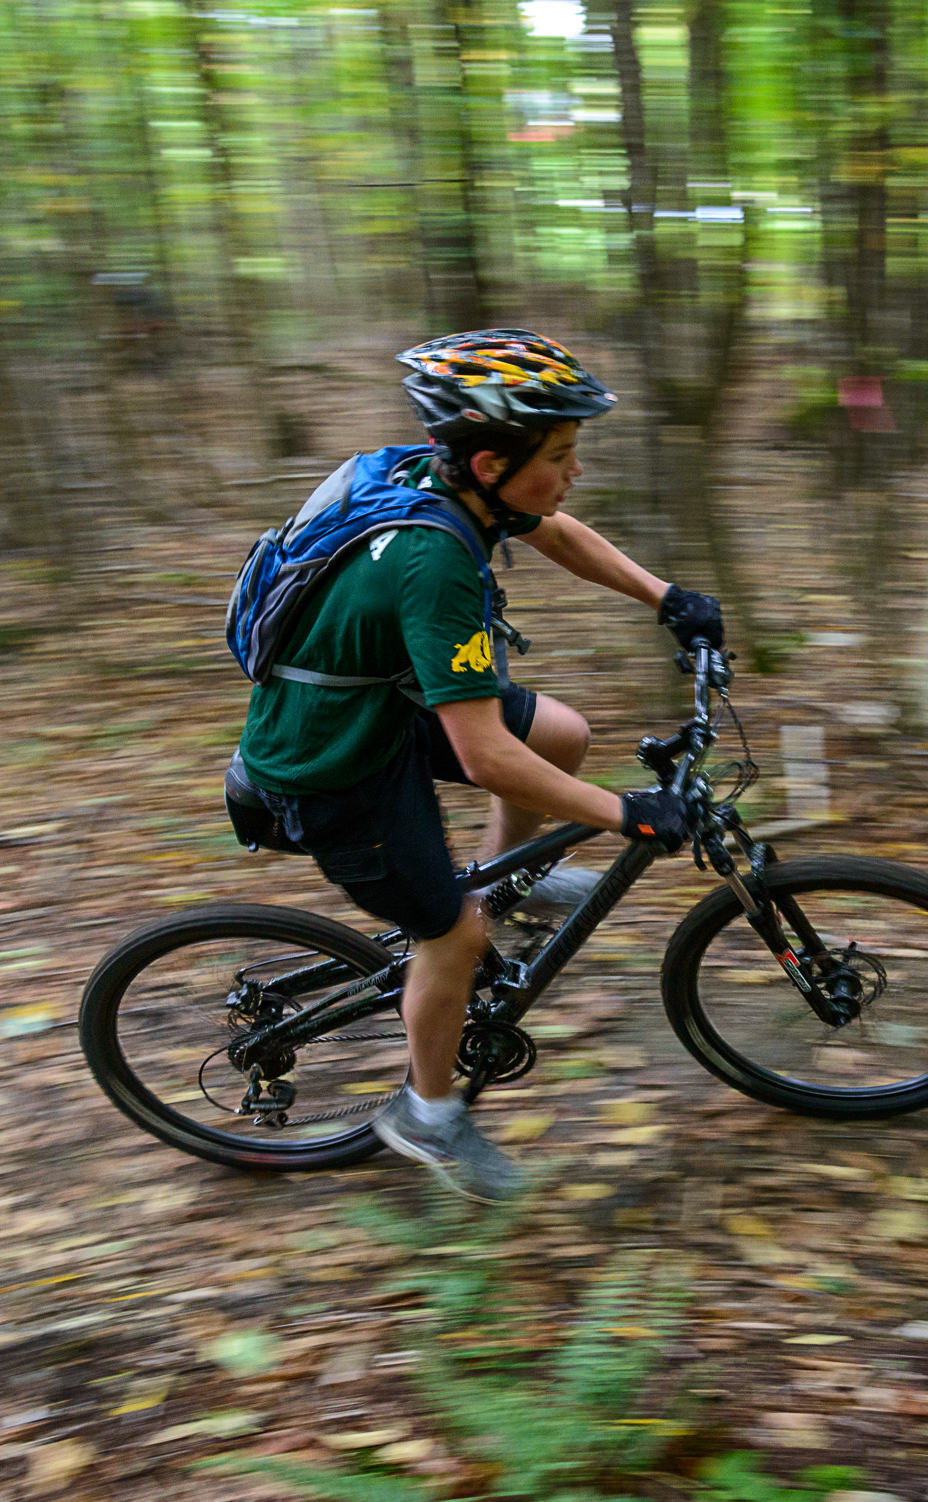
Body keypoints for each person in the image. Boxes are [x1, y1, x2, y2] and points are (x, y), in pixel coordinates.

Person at [233, 330, 723, 1202]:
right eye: (562, 454)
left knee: (561, 733)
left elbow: (556, 530)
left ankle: (513, 884)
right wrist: (628, 815)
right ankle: (426, 1114)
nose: (576, 471)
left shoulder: (447, 479)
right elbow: (484, 754)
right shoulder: (434, 562)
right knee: (454, 935)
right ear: (491, 462)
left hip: (372, 706)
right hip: (329, 762)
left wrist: (666, 598)